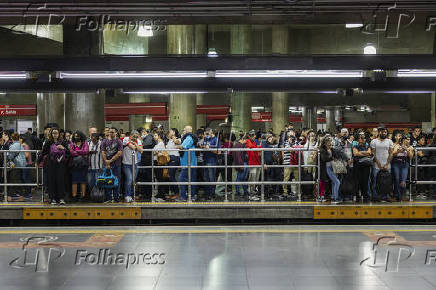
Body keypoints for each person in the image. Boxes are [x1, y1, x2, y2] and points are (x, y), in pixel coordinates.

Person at [37, 127, 70, 205]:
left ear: (59, 134)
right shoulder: (48, 142)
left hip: (60, 164)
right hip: (50, 164)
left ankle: (61, 198)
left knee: (61, 181)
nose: (55, 135)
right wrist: (38, 162)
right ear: (51, 134)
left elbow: (69, 153)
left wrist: (63, 148)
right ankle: (52, 198)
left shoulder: (63, 142)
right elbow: (43, 153)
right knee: (51, 181)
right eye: (53, 133)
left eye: (56, 133)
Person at [370, 127, 394, 201]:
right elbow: (373, 154)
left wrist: (387, 164)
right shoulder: (374, 141)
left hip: (387, 165)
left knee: (387, 182)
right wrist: (378, 164)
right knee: (375, 182)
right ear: (379, 132)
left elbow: (391, 153)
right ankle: (375, 196)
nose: (383, 133)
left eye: (385, 132)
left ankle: (385, 196)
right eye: (382, 132)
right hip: (376, 165)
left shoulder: (389, 141)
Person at [101, 127, 123, 203]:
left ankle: (116, 197)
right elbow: (103, 152)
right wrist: (106, 162)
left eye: (112, 132)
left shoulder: (119, 141)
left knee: (116, 181)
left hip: (116, 164)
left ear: (116, 133)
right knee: (107, 181)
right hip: (107, 164)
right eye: (110, 132)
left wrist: (110, 160)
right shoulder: (104, 141)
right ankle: (108, 198)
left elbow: (119, 152)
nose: (111, 133)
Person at [176, 126, 197, 201]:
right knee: (192, 180)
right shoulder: (190, 137)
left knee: (181, 179)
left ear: (188, 131)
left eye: (184, 130)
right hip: (191, 163)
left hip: (188, 163)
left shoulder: (189, 137)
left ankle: (183, 197)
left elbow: (183, 146)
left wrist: (176, 147)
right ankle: (192, 196)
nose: (183, 131)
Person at [122, 130, 143, 203]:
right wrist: (134, 144)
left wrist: (135, 143)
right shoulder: (126, 139)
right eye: (134, 136)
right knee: (129, 179)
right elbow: (132, 147)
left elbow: (141, 150)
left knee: (133, 180)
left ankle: (131, 195)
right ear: (130, 135)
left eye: (136, 136)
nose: (135, 138)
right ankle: (127, 195)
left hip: (135, 163)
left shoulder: (138, 141)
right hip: (126, 163)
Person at [392, 135, 414, 201]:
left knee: (403, 180)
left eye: (408, 139)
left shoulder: (410, 147)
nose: (407, 141)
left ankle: (402, 195)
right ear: (402, 140)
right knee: (397, 179)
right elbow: (393, 154)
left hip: (405, 164)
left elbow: (411, 157)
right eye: (406, 139)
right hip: (396, 163)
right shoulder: (397, 145)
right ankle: (398, 196)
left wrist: (406, 150)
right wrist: (399, 151)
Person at [320, 136, 341, 204]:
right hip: (327, 168)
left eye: (330, 142)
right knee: (337, 182)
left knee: (334, 182)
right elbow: (324, 159)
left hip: (333, 167)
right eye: (328, 142)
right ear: (324, 143)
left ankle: (333, 197)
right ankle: (336, 198)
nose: (329, 143)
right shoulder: (322, 150)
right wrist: (332, 158)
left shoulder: (332, 149)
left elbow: (336, 156)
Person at [69, 131, 89, 202]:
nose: (76, 137)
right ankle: (74, 197)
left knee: (83, 181)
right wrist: (81, 153)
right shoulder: (72, 143)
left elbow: (86, 151)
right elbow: (71, 152)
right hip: (74, 165)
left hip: (83, 165)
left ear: (81, 136)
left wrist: (76, 152)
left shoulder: (85, 143)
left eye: (78, 136)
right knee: (74, 181)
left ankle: (83, 196)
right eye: (75, 136)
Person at [353, 133, 372, 202]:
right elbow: (356, 153)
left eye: (364, 138)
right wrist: (364, 153)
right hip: (357, 166)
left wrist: (360, 152)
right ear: (358, 139)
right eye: (361, 138)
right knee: (358, 181)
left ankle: (365, 196)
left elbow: (369, 153)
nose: (363, 139)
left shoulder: (367, 146)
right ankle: (357, 196)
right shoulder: (355, 146)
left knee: (365, 181)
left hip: (366, 166)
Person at [7, 133, 26, 201]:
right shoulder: (20, 145)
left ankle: (9, 196)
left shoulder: (14, 145)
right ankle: (20, 196)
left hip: (15, 165)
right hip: (21, 165)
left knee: (13, 180)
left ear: (12, 138)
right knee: (18, 180)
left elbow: (10, 156)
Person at [201, 128, 219, 198]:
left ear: (211, 133)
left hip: (212, 161)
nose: (206, 135)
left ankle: (212, 193)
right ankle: (207, 192)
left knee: (212, 178)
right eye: (205, 134)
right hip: (205, 160)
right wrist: (202, 146)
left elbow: (218, 151)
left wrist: (210, 149)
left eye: (207, 134)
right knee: (206, 178)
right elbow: (203, 146)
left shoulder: (216, 140)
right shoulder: (206, 139)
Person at [246, 130, 261, 200]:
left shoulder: (255, 142)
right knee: (252, 179)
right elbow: (250, 146)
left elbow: (258, 150)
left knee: (256, 180)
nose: (252, 136)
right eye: (251, 135)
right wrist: (257, 148)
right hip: (252, 163)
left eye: (253, 135)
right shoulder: (248, 141)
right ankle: (251, 195)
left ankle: (254, 193)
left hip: (257, 162)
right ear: (249, 136)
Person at [152, 132, 168, 201]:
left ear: (159, 136)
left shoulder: (161, 144)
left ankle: (162, 196)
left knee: (160, 178)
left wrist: (155, 152)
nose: (154, 136)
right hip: (156, 161)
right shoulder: (158, 144)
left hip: (159, 162)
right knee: (158, 178)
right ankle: (159, 194)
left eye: (155, 135)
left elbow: (155, 152)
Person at [166, 128, 180, 199]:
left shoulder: (178, 139)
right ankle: (172, 192)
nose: (169, 132)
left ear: (174, 132)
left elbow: (178, 142)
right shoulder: (169, 141)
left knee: (172, 176)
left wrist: (173, 136)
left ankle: (177, 193)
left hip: (175, 158)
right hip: (169, 159)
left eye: (170, 131)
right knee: (169, 176)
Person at [19, 135, 33, 201]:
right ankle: (27, 193)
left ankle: (28, 194)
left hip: (27, 164)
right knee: (25, 178)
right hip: (24, 164)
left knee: (26, 178)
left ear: (21, 139)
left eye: (19, 139)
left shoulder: (25, 146)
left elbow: (26, 155)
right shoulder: (22, 146)